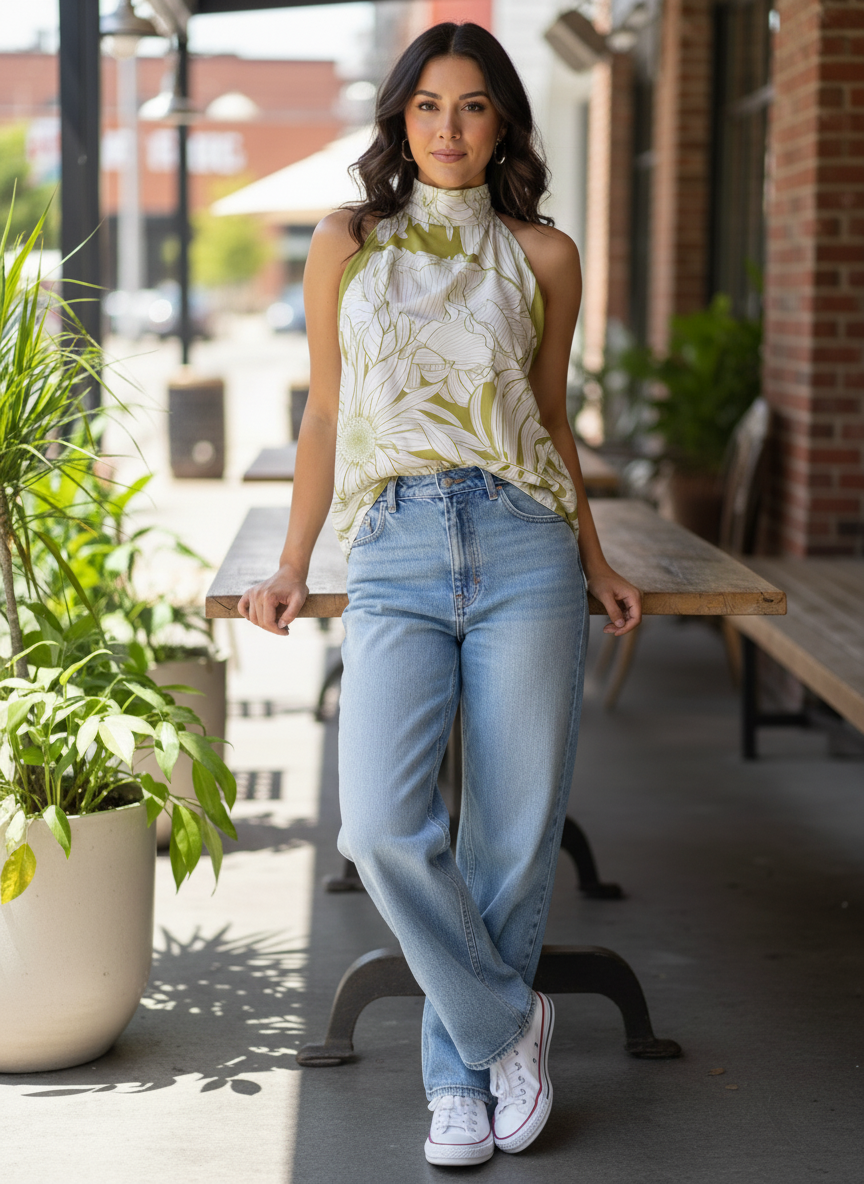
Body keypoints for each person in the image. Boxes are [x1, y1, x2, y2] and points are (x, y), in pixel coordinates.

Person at [238, 21, 641, 1169]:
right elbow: (322, 414)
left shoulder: (545, 253)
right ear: (398, 117)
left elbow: (552, 420)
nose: (450, 128)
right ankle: (515, 1022)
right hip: (396, 548)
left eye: (472, 106)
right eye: (428, 105)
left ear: (503, 118)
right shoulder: (344, 242)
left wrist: (597, 557)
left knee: (509, 837)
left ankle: (457, 1084)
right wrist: (293, 559)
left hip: (524, 544)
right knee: (379, 824)